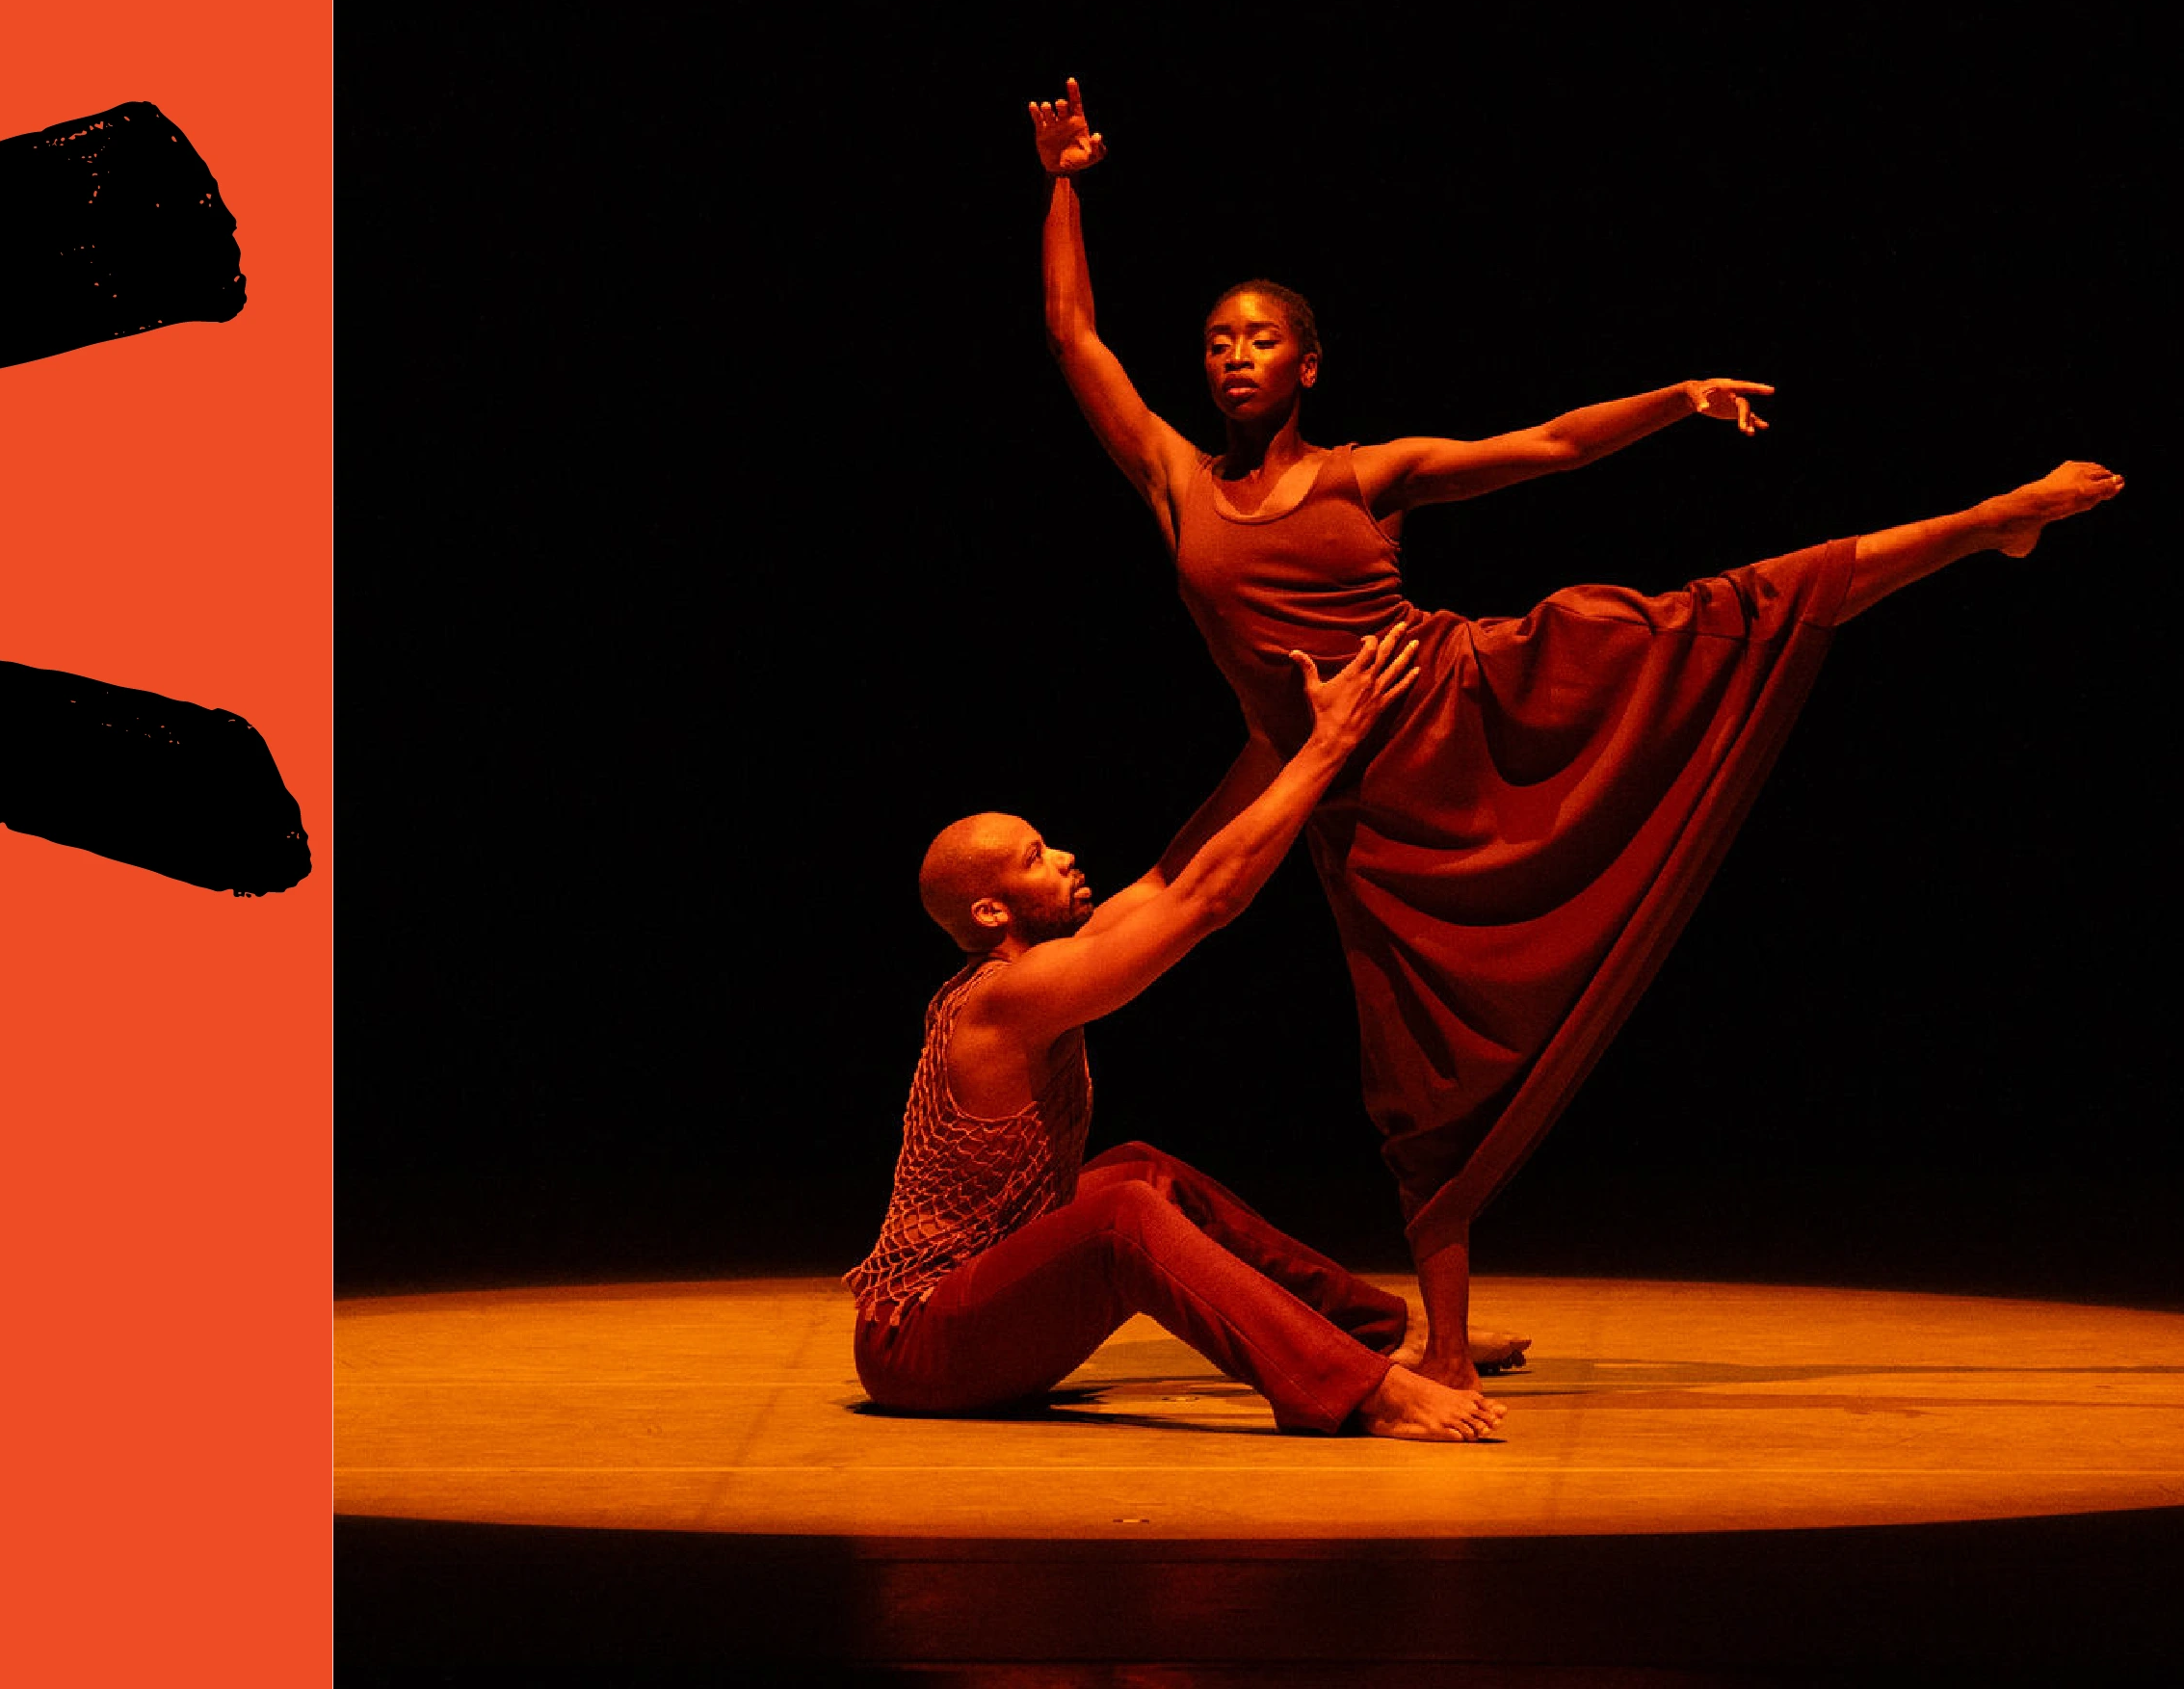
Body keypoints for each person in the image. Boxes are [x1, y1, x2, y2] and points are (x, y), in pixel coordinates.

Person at [1020, 76, 2123, 1391]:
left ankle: (1990, 516)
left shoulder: (1368, 473)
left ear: (1307, 364)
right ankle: (1441, 1339)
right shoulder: (1173, 480)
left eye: (1259, 338)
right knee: (1412, 1053)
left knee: (1719, 618)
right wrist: (1066, 179)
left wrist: (1675, 397)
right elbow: (1072, 329)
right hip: (1343, 790)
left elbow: (1541, 445)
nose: (1232, 355)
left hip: (1467, 703)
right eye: (1214, 341)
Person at [848, 619, 1506, 1440]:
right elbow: (1207, 901)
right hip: (920, 1342)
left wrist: (1277, 738)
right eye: (1033, 858)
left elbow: (1172, 875)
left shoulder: (1042, 972)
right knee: (1122, 1214)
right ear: (990, 910)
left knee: (1142, 1172)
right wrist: (1329, 748)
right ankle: (1362, 1390)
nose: (1063, 855)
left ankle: (1382, 1333)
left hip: (966, 1311)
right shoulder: (1007, 997)